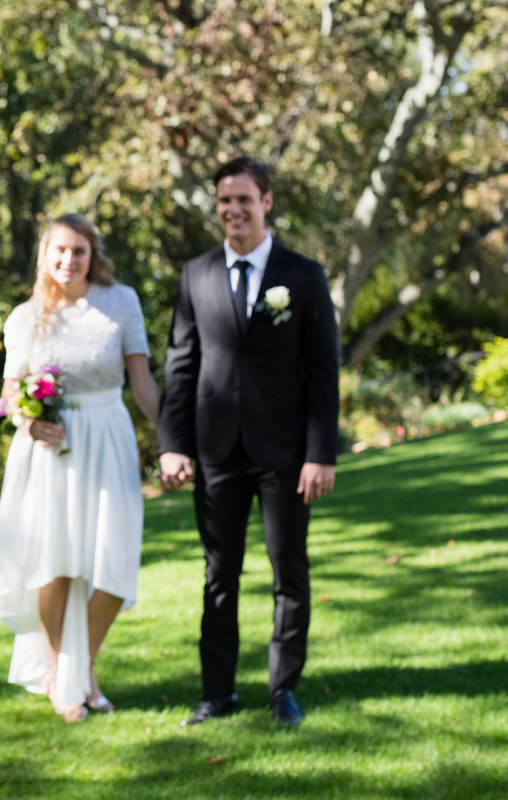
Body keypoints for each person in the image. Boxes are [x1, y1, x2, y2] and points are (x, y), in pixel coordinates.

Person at [157, 156, 339, 727]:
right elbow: (181, 365)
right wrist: (172, 443)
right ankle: (217, 692)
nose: (233, 210)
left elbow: (322, 371)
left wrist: (320, 453)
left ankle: (283, 689)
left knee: (290, 572)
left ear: (265, 202)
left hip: (286, 454)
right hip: (214, 454)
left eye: (243, 199)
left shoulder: (303, 275)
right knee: (219, 575)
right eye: (224, 201)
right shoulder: (196, 274)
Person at [0, 214, 162, 722]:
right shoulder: (24, 317)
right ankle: (72, 682)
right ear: (44, 254)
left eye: (78, 250)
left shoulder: (121, 302)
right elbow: (9, 395)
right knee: (54, 566)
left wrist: (175, 438)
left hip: (109, 435)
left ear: (93, 254)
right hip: (49, 449)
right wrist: (29, 421)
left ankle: (74, 672)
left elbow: (143, 383)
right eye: (59, 250)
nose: (68, 260)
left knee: (113, 562)